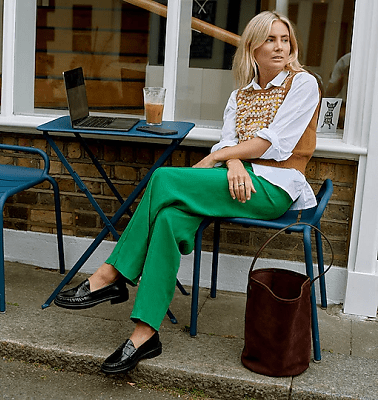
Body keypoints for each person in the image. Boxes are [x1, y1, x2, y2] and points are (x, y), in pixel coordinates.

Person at [54, 10, 320, 375]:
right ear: (252, 47)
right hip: (235, 181)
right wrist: (233, 161)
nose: (279, 47)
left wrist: (220, 157)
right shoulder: (240, 96)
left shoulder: (303, 84)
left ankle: (110, 275)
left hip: (275, 188)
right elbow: (233, 141)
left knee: (164, 179)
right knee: (167, 218)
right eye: (270, 39)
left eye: (285, 39)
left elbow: (271, 144)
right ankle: (144, 335)